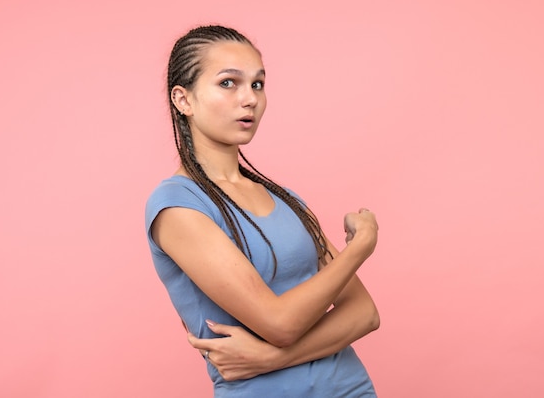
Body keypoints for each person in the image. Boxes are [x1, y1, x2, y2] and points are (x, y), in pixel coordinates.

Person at [145, 25, 380, 397]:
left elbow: (364, 314)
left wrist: (269, 359)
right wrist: (360, 247)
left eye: (257, 84)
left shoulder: (287, 199)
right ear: (183, 100)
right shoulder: (178, 207)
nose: (250, 99)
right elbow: (280, 324)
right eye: (228, 83)